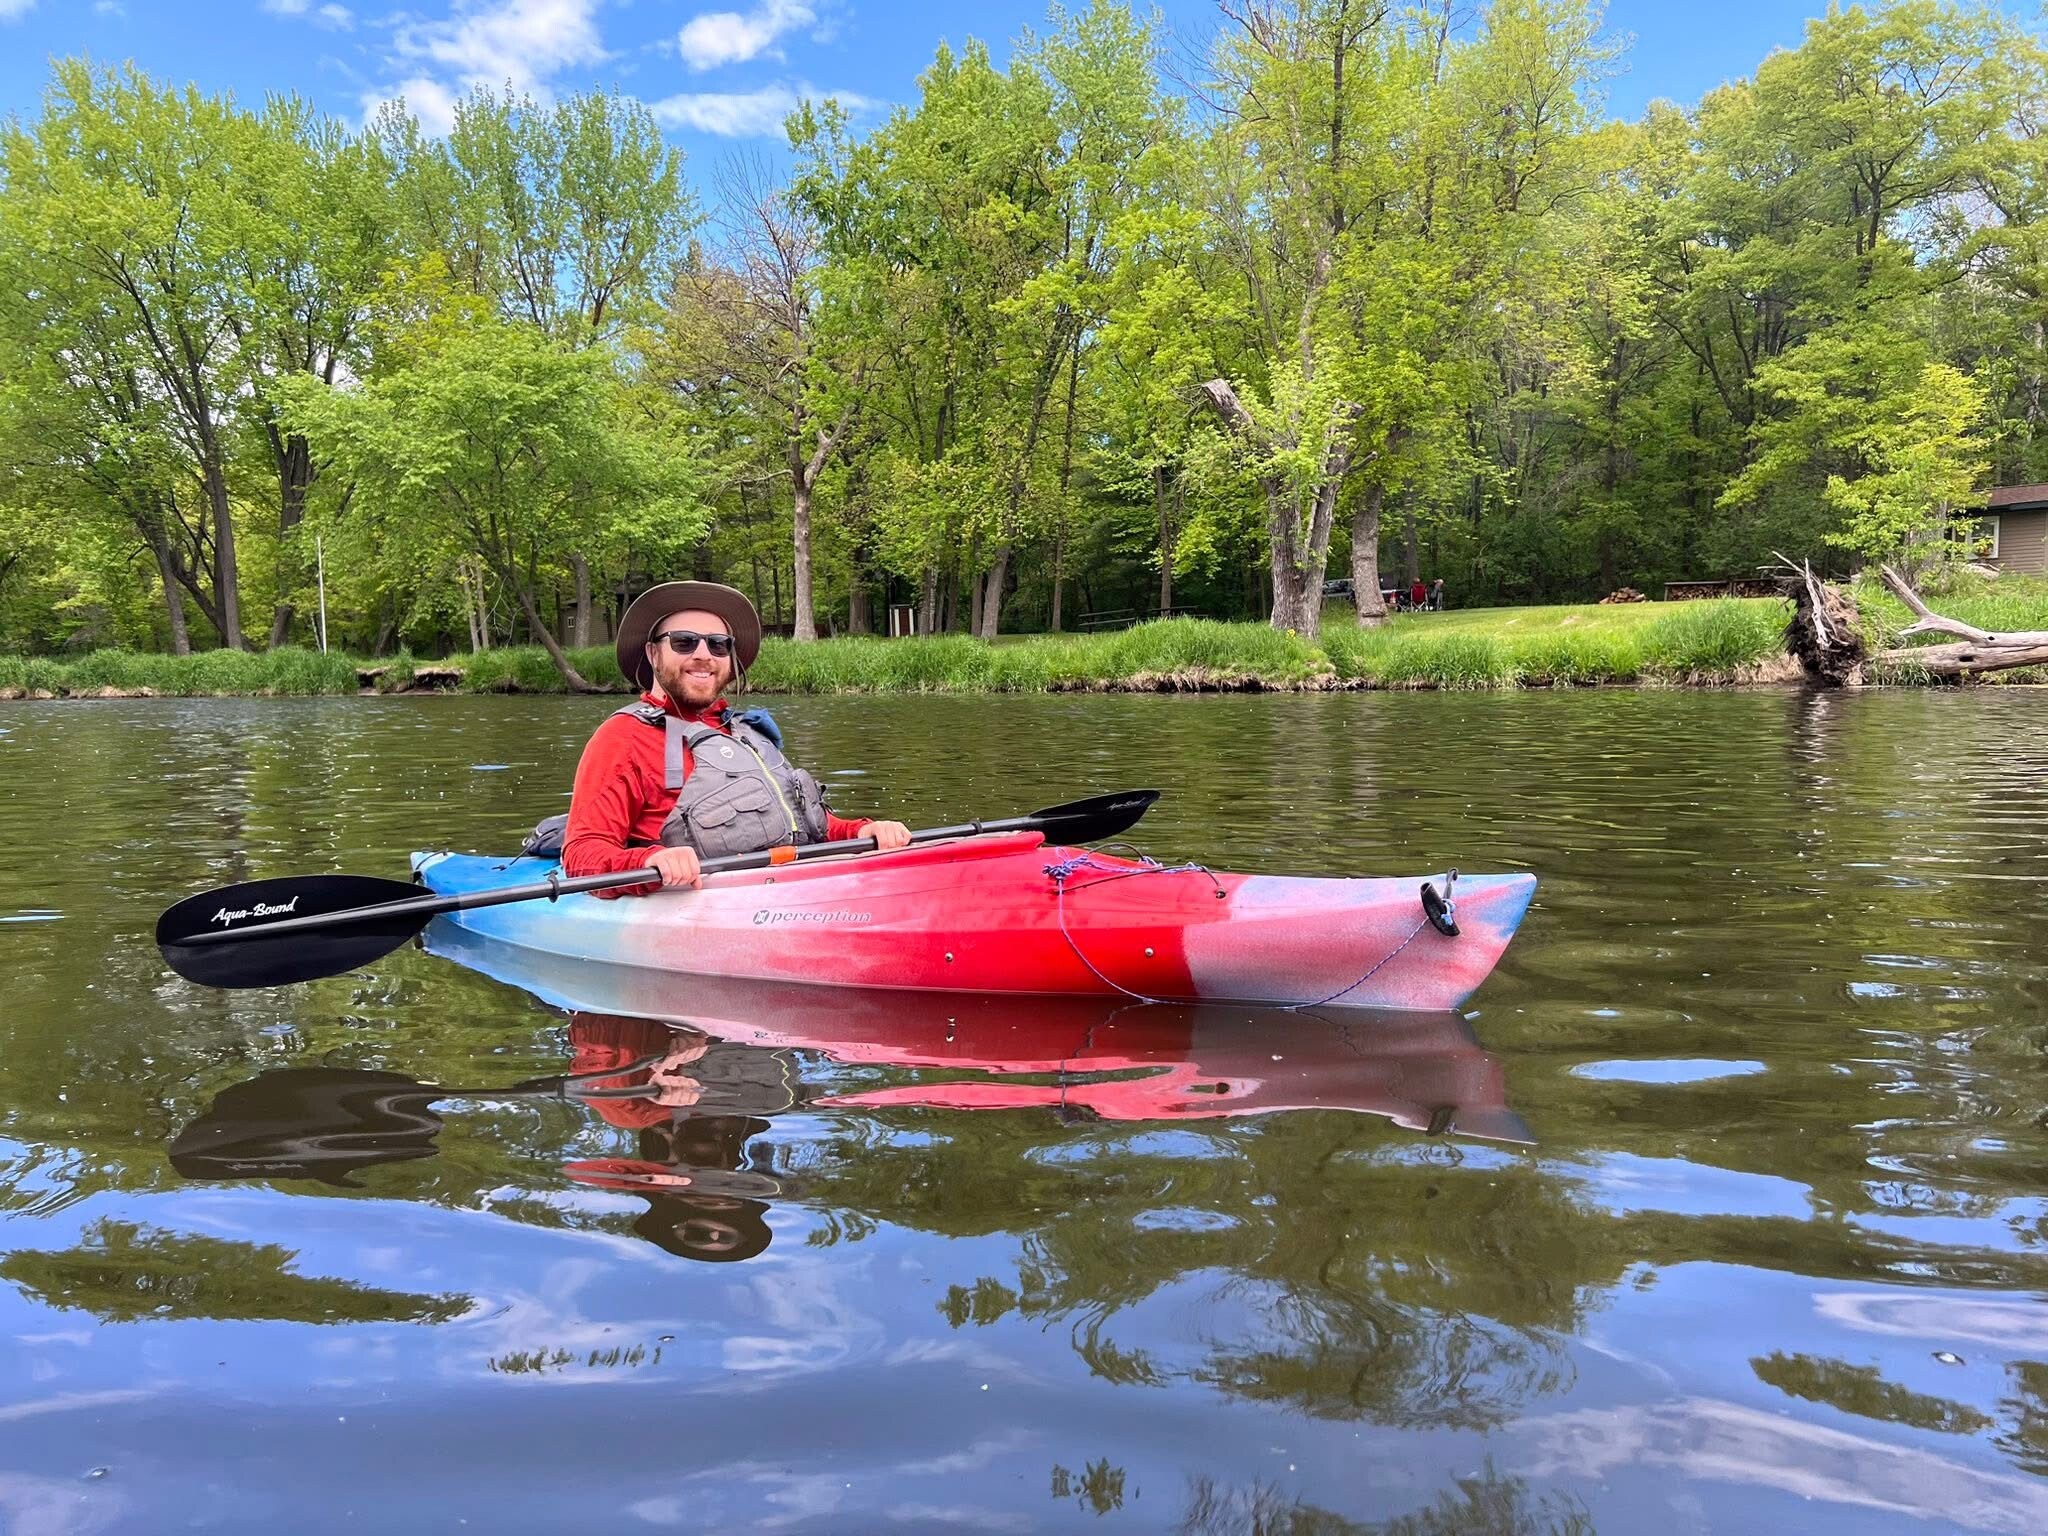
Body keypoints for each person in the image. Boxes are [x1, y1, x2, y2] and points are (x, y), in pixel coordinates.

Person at [561, 581, 911, 895]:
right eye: (684, 642)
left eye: (718, 644)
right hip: (698, 902)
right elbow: (582, 853)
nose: (703, 655)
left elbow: (804, 823)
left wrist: (861, 833)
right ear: (654, 653)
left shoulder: (747, 733)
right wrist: (651, 862)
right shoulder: (622, 738)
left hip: (789, 889)